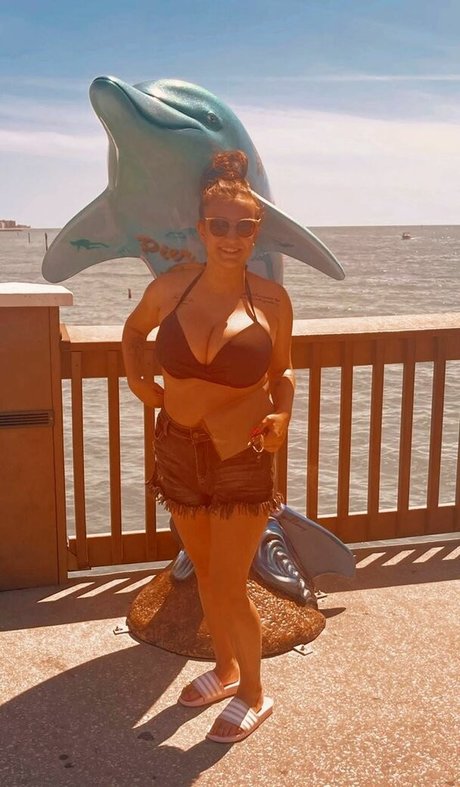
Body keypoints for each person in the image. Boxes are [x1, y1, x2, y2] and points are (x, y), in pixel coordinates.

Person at [122, 150, 295, 743]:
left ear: (256, 231)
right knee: (205, 577)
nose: (230, 236)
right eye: (218, 225)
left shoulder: (271, 301)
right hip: (177, 449)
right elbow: (135, 330)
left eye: (242, 226)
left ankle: (254, 693)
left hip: (241, 456)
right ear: (201, 229)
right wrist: (137, 378)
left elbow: (282, 372)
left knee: (226, 583)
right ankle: (225, 670)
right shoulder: (170, 288)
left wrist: (282, 414)